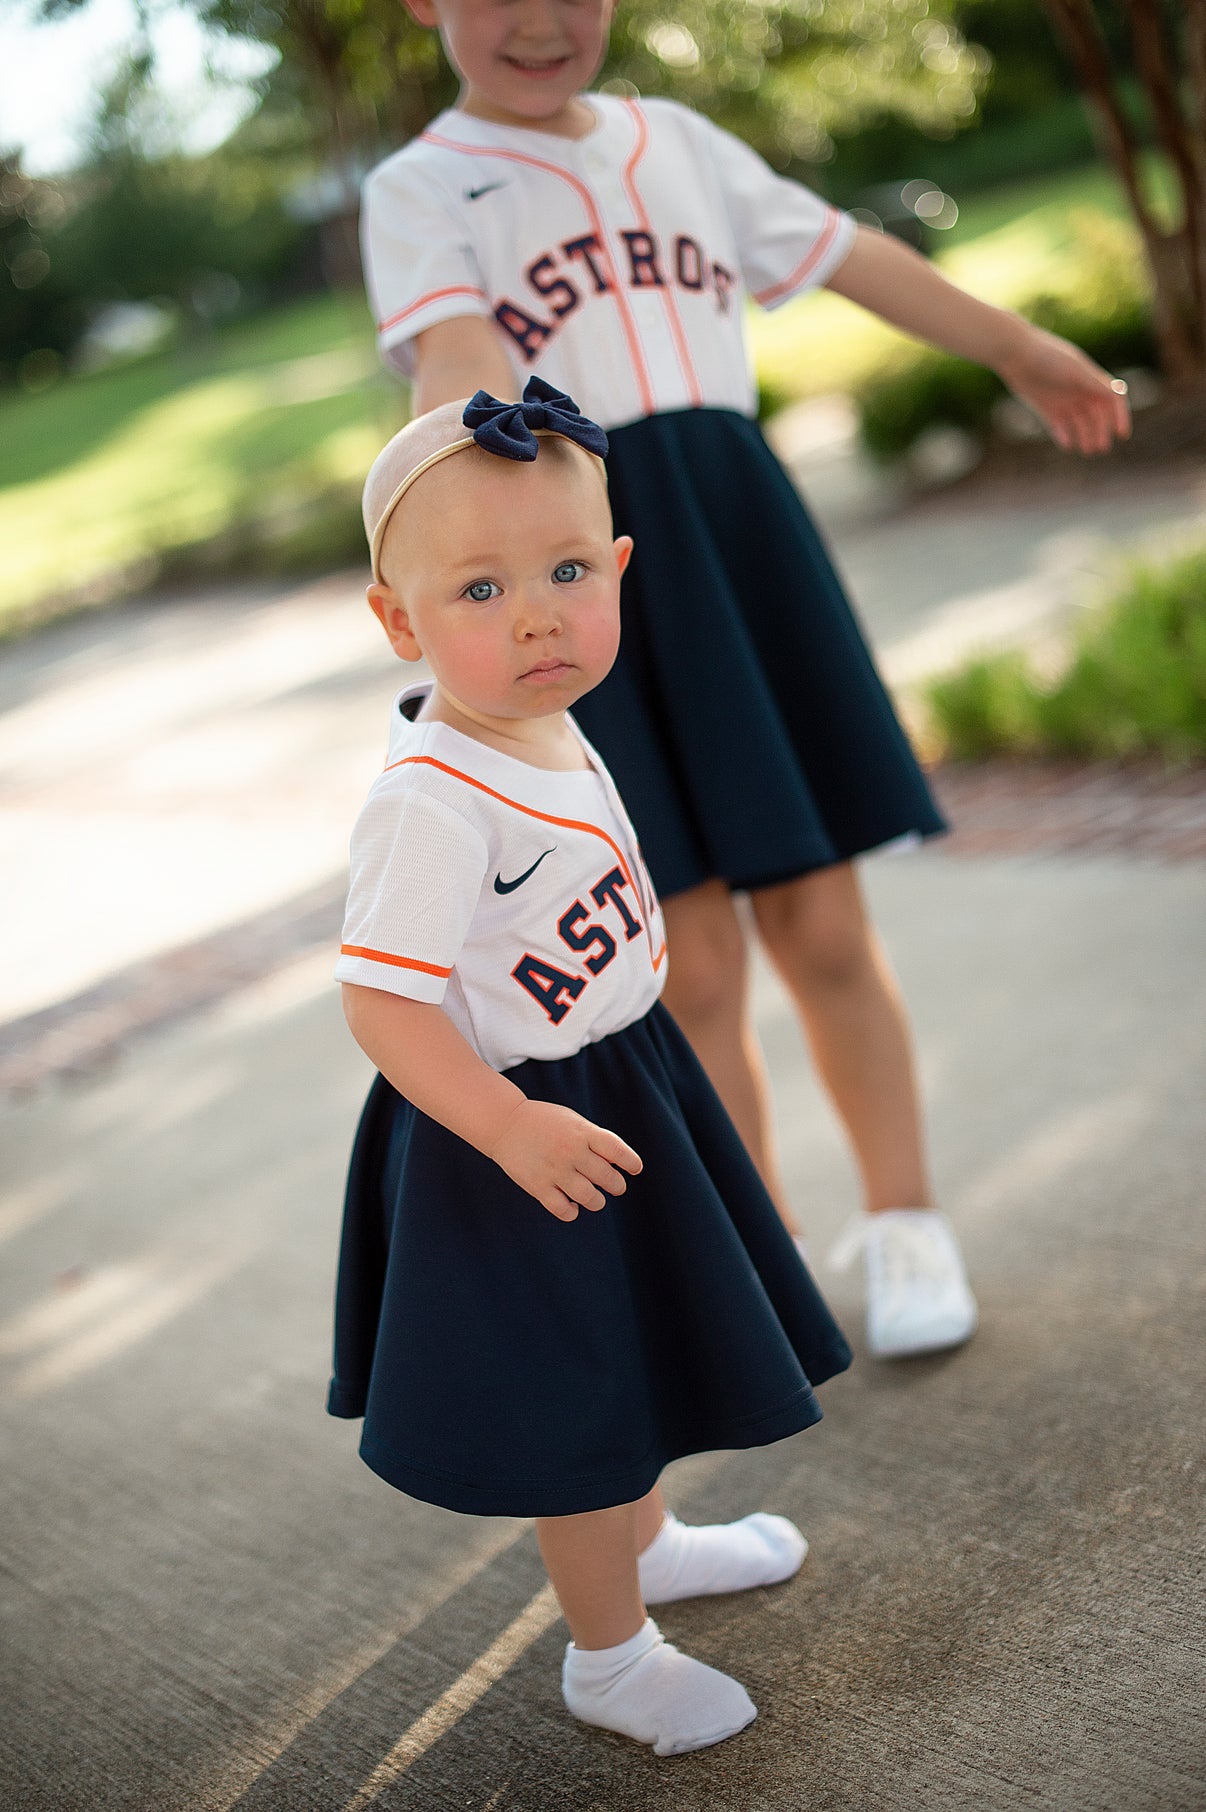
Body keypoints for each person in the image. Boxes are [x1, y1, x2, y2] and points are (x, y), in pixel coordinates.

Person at [358, 0, 1132, 1359]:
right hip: (580, 577)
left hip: (730, 536)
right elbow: (459, 361)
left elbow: (853, 258)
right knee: (689, 963)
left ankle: (904, 1224)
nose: (539, 22)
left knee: (821, 923)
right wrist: (475, 509)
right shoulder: (421, 186)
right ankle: (755, 1263)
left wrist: (1016, 348)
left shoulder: (684, 143)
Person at [328, 381, 853, 1756]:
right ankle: (608, 1659)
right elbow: (382, 1009)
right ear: (401, 622)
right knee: (581, 1394)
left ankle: (650, 1546)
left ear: (619, 569)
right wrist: (504, 1125)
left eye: (567, 571)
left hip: (623, 1081)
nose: (539, 616)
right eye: (483, 590)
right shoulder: (431, 799)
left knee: (645, 1343)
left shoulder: (548, 714)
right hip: (512, 1130)